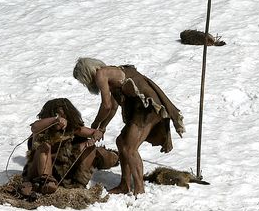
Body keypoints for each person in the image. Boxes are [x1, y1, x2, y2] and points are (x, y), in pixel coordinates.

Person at [73, 58, 185, 195]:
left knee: (130, 149)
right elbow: (113, 107)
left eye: (83, 80)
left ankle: (139, 188)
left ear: (86, 73)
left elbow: (106, 105)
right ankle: (124, 185)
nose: (86, 84)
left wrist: (95, 125)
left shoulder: (101, 74)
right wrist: (102, 128)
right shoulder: (110, 75)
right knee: (121, 142)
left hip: (147, 108)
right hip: (140, 109)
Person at [22, 97, 106, 195]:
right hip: (37, 170)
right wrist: (55, 120)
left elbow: (95, 132)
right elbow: (34, 127)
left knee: (89, 147)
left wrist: (94, 137)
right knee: (45, 146)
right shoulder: (41, 128)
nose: (61, 118)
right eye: (57, 114)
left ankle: (79, 183)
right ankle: (46, 181)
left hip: (60, 172)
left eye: (63, 115)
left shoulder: (71, 128)